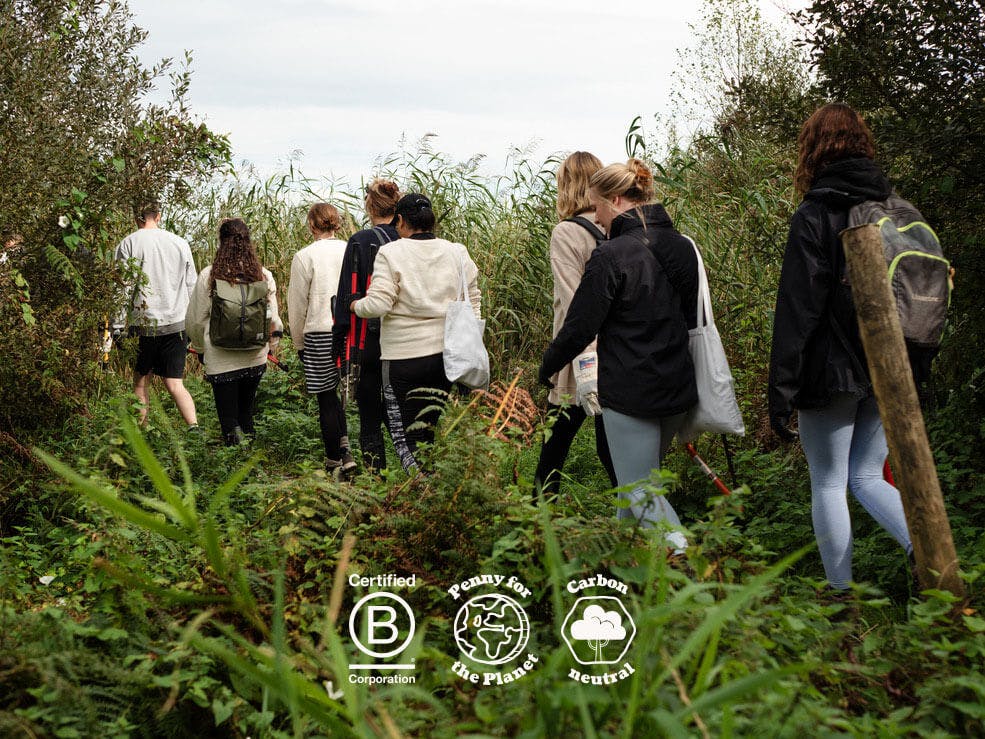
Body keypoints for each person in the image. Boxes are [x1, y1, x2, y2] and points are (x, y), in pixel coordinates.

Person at [768, 102, 912, 591]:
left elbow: (798, 309)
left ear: (813, 150)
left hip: (830, 370)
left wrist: (781, 390)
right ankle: (932, 556)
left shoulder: (815, 212)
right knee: (868, 475)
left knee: (829, 481)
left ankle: (840, 597)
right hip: (891, 365)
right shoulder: (892, 208)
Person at [537, 159, 697, 549]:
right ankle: (625, 563)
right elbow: (690, 316)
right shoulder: (683, 246)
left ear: (617, 199)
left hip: (629, 387)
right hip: (676, 385)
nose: (600, 222)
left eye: (601, 209)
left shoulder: (612, 254)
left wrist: (548, 366)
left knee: (642, 494)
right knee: (635, 482)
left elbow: (579, 323)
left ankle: (687, 564)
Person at [350, 193, 481, 472]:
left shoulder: (392, 252)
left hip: (404, 359)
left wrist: (353, 304)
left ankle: (426, 497)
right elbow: (473, 301)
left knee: (404, 438)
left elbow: (379, 304)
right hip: (445, 357)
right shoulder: (457, 251)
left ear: (399, 220)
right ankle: (433, 495)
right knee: (427, 432)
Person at [533, 151, 617, 497]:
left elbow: (572, 304)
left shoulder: (566, 233)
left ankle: (539, 524)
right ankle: (646, 524)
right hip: (618, 351)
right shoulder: (616, 225)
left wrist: (562, 358)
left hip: (579, 355)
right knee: (611, 447)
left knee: (555, 446)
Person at [185, 218, 283, 445]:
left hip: (221, 358)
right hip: (255, 356)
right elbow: (273, 319)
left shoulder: (210, 276)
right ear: (248, 242)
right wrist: (271, 347)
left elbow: (197, 320)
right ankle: (250, 463)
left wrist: (200, 349)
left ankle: (235, 462)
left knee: (229, 419)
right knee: (246, 414)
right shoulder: (263, 275)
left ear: (221, 242)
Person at [332, 179, 401, 471]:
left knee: (370, 412)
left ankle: (376, 478)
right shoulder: (407, 239)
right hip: (404, 340)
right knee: (405, 414)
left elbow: (347, 294)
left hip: (367, 340)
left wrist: (338, 339)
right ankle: (419, 474)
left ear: (369, 206)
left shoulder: (360, 241)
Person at [115, 202, 199, 429]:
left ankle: (141, 434)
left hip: (143, 325)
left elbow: (122, 288)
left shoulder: (128, 243)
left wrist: (116, 326)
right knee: (175, 383)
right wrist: (193, 324)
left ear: (136, 217)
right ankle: (194, 428)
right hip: (177, 324)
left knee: (141, 384)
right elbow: (193, 285)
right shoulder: (179, 242)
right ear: (158, 216)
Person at [289, 203, 356, 477]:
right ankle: (346, 451)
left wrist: (298, 343)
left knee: (326, 398)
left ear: (312, 225)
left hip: (318, 331)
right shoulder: (350, 251)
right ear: (336, 224)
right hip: (350, 330)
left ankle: (333, 463)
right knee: (344, 395)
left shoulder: (304, 257)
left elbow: (297, 305)